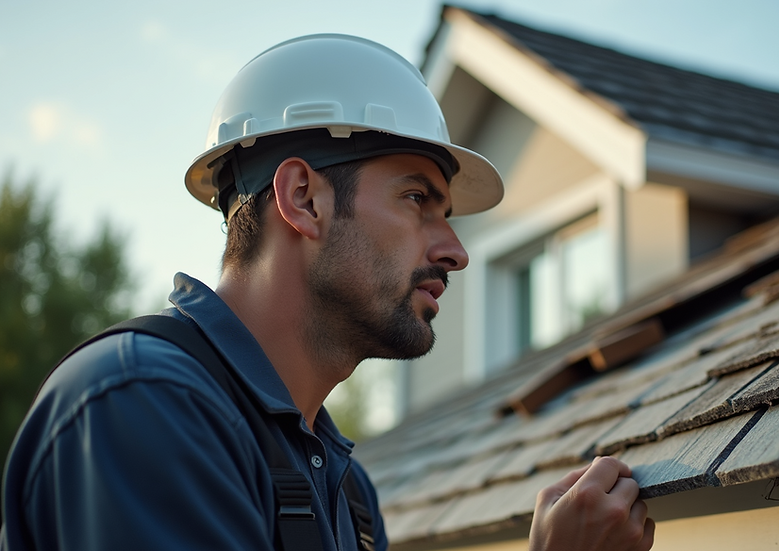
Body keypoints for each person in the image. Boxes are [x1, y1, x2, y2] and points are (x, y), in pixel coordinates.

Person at [1, 34, 655, 551]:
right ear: (303, 200)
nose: (455, 250)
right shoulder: (143, 406)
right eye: (417, 199)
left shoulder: (349, 492)